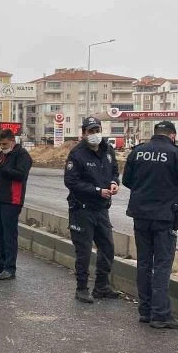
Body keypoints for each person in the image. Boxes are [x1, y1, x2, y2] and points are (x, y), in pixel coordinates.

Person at [122, 121, 178, 329]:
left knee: (144, 263)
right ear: (172, 136)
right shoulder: (176, 154)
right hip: (164, 217)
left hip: (140, 215)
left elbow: (127, 181)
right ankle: (161, 315)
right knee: (162, 265)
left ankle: (145, 311)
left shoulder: (138, 152)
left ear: (155, 134)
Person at [64, 117, 121, 303]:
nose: (95, 134)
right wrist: (97, 190)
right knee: (84, 251)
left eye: (97, 129)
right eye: (91, 131)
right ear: (84, 134)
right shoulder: (77, 154)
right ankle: (81, 288)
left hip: (102, 209)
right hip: (82, 210)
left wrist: (114, 183)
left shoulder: (107, 149)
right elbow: (71, 181)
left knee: (108, 248)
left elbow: (114, 170)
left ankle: (101, 286)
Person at [0, 129, 33, 280]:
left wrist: (0, 166)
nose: (2, 147)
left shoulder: (22, 155)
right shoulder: (2, 154)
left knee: (9, 235)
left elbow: (20, 175)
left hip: (12, 200)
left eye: (4, 144)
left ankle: (10, 268)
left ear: (13, 140)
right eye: (0, 144)